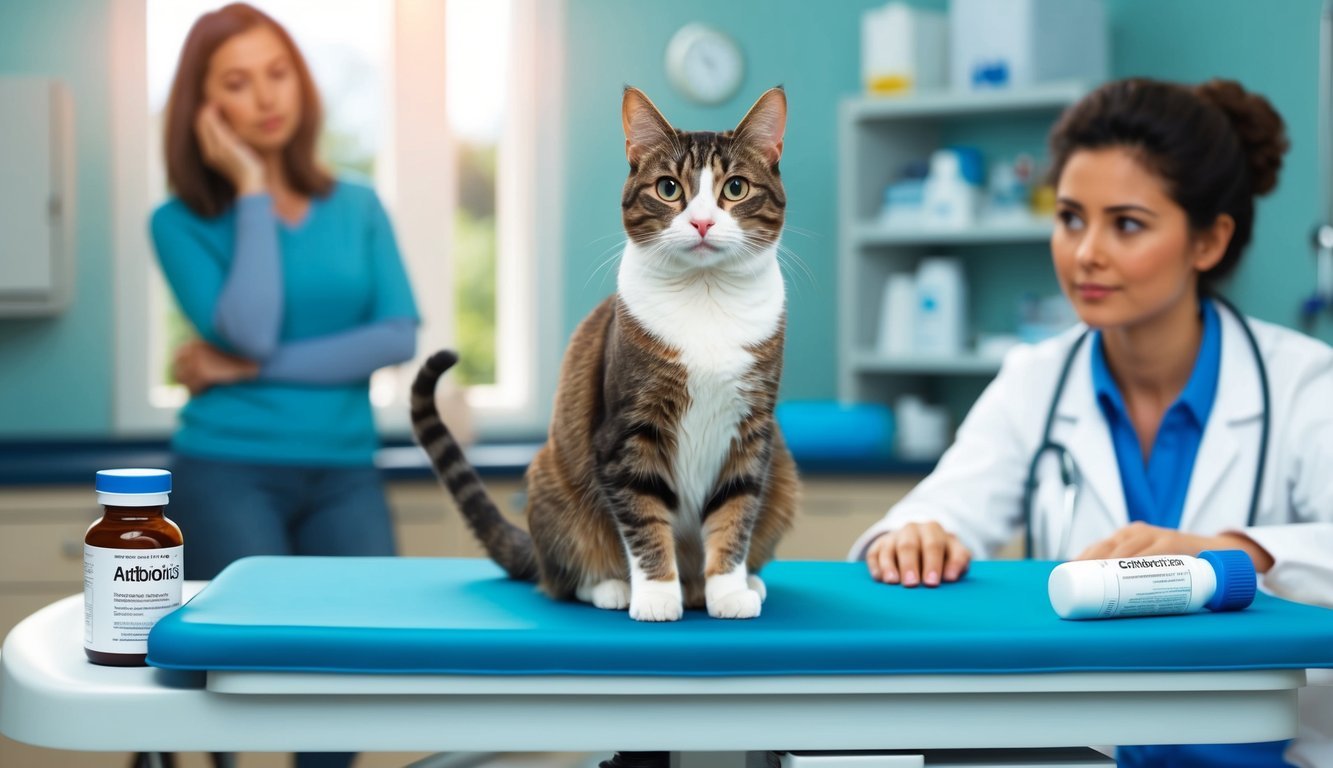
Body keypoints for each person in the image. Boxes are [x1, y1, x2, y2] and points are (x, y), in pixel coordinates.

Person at [850, 78, 1333, 768]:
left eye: (1126, 224)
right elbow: (940, 510)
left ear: (1208, 241)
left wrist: (1236, 552)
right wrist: (913, 537)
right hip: (1089, 753)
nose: (1085, 253)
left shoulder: (1303, 381)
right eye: (1071, 217)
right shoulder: (1035, 379)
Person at [150, 5, 418, 768]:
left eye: (277, 73)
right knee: (236, 690)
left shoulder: (359, 205)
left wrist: (247, 371)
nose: (266, 97)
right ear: (206, 110)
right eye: (237, 82)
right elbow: (251, 327)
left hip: (343, 474)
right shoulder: (178, 223)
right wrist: (251, 189)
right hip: (226, 472)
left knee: (350, 680)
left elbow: (395, 336)